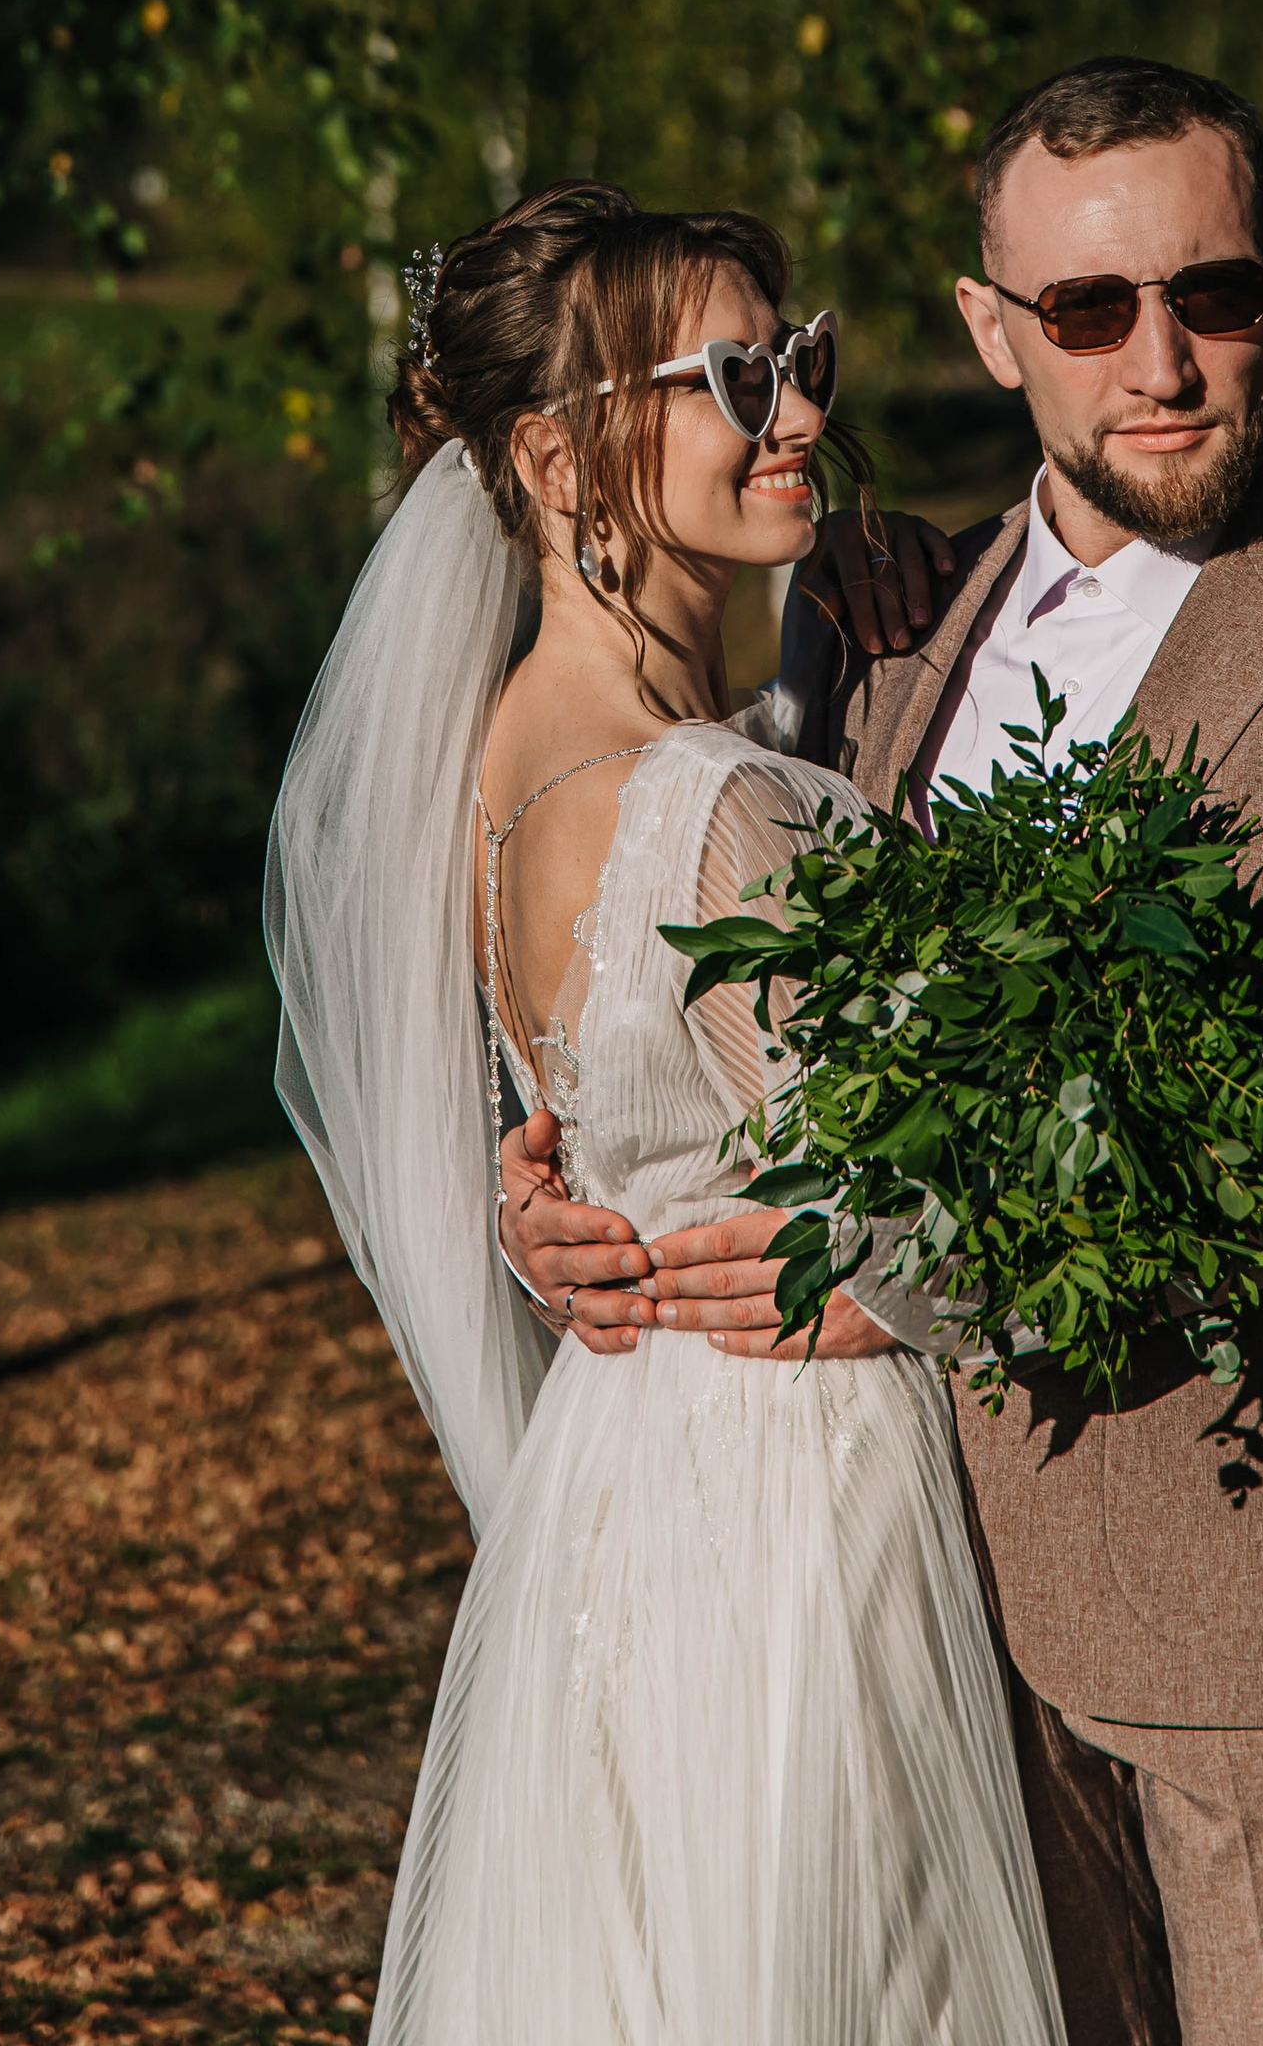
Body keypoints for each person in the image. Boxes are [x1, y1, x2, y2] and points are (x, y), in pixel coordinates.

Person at [503, 57, 1263, 2046]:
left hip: (1256, 1603)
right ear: (993, 331)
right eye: (1086, 308)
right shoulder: (872, 621)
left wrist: (913, 1275)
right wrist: (567, 1193)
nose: (1159, 362)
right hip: (916, 1620)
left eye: (1212, 294)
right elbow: (700, 984)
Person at [264, 181, 1066, 2046]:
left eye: (801, 359)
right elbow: (938, 1213)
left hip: (619, 1490)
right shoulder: (716, 811)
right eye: (732, 380)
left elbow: (608, 1101)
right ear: (559, 461)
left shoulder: (500, 761)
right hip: (796, 1502)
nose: (800, 414)